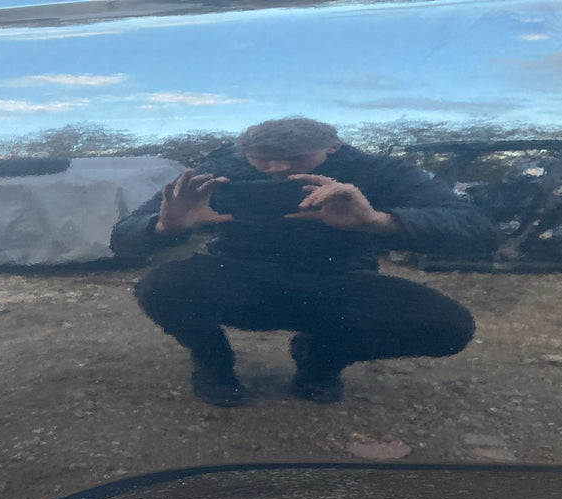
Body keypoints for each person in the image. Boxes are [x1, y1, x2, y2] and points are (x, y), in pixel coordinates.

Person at [110, 118, 497, 406]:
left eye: (295, 158)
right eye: (263, 160)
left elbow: (478, 229)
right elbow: (123, 237)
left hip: (340, 282)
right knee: (162, 286)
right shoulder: (217, 170)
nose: (278, 168)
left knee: (448, 326)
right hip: (242, 277)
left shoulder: (377, 172)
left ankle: (321, 358)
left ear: (333, 148)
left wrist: (379, 221)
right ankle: (213, 361)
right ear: (244, 153)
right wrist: (163, 227)